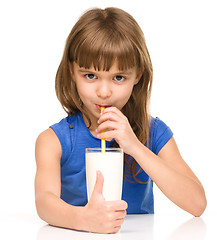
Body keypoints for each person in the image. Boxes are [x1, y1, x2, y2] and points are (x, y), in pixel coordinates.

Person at [35, 7, 207, 234]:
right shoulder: (54, 140)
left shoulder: (154, 133)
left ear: (138, 75)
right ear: (71, 71)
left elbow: (197, 204)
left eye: (118, 77)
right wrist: (84, 218)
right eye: (90, 75)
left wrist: (135, 146)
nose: (104, 92)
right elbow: (44, 202)